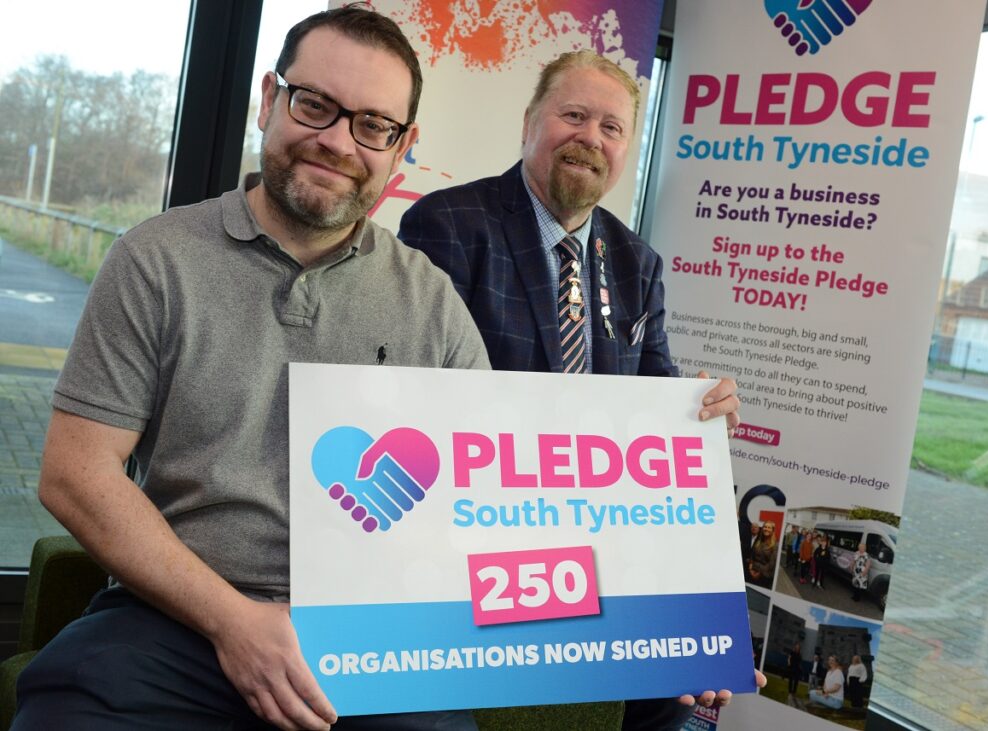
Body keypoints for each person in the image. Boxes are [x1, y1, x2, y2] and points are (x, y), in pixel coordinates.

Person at [13, 7, 490, 731]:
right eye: (315, 105)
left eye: (373, 125)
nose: (336, 142)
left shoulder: (433, 303)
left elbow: (507, 498)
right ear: (270, 100)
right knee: (65, 713)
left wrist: (648, 640)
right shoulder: (155, 260)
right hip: (173, 615)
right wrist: (235, 621)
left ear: (403, 147)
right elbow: (75, 473)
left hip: (368, 638)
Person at [399, 48, 761, 730]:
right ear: (531, 122)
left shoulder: (637, 262)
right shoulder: (448, 225)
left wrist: (700, 412)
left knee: (683, 699)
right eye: (573, 115)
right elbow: (422, 403)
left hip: (596, 542)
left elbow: (654, 399)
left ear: (625, 149)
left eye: (612, 127)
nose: (591, 137)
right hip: (474, 538)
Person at [748, 520, 777, 588]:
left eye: (769, 527)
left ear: (772, 530)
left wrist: (759, 573)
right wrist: (750, 568)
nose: (766, 529)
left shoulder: (775, 545)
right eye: (765, 527)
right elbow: (752, 556)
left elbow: (771, 565)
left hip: (764, 577)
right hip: (752, 572)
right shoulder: (759, 541)